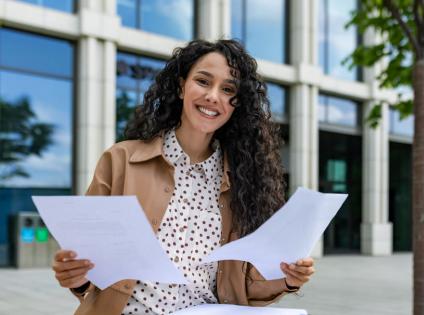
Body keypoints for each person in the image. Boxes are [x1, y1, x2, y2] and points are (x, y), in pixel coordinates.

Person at [51, 39, 315, 315]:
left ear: (237, 104)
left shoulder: (245, 182)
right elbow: (87, 263)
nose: (214, 96)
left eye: (228, 90)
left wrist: (287, 278)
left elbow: (243, 288)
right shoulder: (121, 161)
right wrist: (76, 275)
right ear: (181, 86)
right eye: (203, 81)